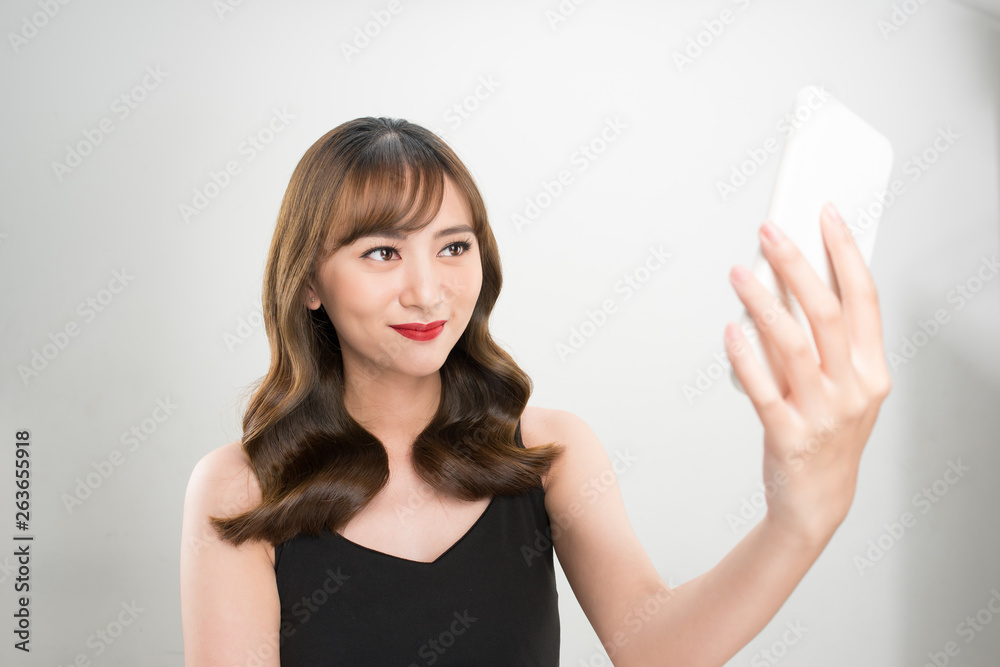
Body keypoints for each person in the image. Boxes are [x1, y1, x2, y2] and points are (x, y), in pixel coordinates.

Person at [179, 116, 892, 666]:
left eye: (453, 247)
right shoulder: (240, 490)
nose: (429, 290)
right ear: (308, 281)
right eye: (383, 252)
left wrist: (797, 522)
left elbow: (655, 647)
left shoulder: (552, 452)